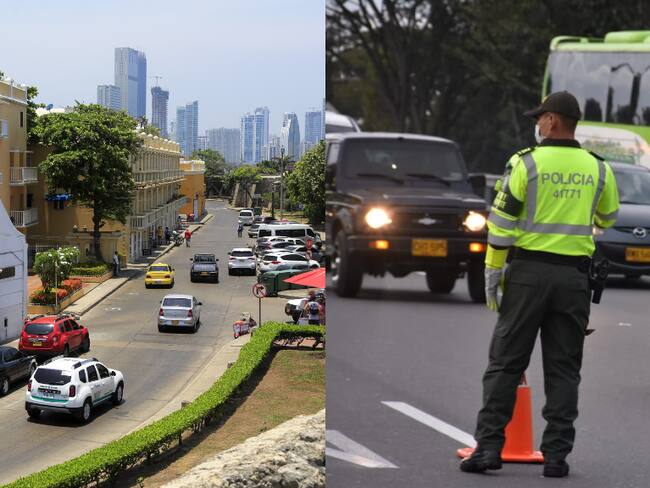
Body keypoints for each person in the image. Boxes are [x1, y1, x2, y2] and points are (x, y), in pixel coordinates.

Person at [460, 91, 619, 478]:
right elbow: (609, 216)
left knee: (505, 364)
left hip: (528, 276)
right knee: (564, 369)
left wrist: (492, 275)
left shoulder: (525, 164)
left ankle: (489, 450)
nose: (537, 123)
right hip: (574, 278)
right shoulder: (598, 169)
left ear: (551, 121)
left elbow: (500, 226)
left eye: (540, 117)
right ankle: (557, 457)